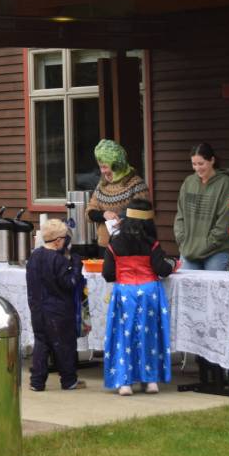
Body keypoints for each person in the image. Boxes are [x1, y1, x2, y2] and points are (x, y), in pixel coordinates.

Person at [102, 199, 176, 396]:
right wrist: (174, 265)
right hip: (149, 292)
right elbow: (162, 269)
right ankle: (150, 380)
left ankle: (124, 382)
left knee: (122, 336)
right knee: (148, 334)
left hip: (124, 292)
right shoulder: (151, 243)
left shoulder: (115, 243)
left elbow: (108, 274)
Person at [26, 219, 87, 392]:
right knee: (65, 345)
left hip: (37, 308)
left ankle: (37, 382)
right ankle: (69, 380)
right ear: (59, 240)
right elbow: (70, 283)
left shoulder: (35, 256)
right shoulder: (58, 261)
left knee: (41, 343)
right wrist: (76, 265)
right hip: (59, 310)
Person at [173, 142, 229, 271]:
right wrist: (181, 238)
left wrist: (207, 244)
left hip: (216, 250)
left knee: (214, 290)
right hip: (189, 249)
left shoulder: (225, 183)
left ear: (212, 160)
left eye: (201, 164)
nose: (197, 168)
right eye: (194, 164)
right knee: (187, 289)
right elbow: (180, 215)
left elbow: (226, 220)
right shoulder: (188, 182)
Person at [87, 139, 150, 253]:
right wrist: (104, 214)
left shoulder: (136, 185)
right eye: (100, 167)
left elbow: (144, 215)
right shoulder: (102, 185)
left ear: (117, 165)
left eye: (105, 167)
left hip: (129, 246)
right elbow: (89, 213)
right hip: (105, 246)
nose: (102, 171)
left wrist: (123, 220)